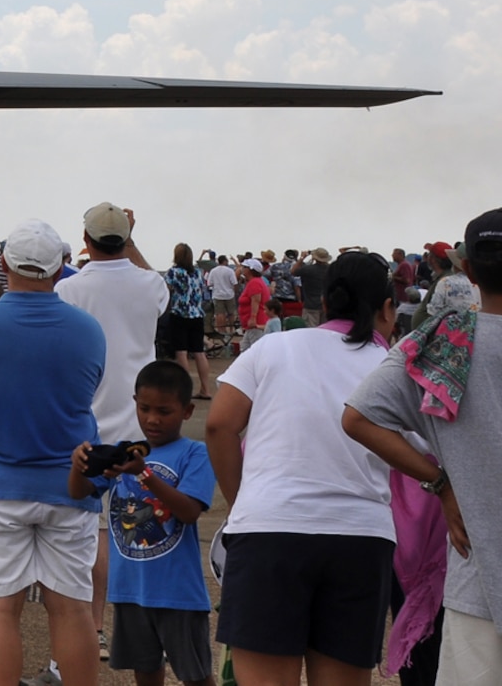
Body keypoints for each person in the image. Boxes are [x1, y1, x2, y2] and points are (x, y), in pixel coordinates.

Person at [204, 251, 398, 686]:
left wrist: (242, 502)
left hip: (269, 530)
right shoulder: (392, 367)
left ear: (326, 304)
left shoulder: (275, 346)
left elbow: (219, 425)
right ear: (387, 309)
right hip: (361, 538)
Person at [344, 210, 502, 686]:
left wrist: (440, 483)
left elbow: (358, 418)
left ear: (468, 270)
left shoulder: (442, 343)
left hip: (478, 577)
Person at [0, 220, 104, 686]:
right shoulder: (87, 329)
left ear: (6, 264)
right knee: (71, 608)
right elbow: (89, 386)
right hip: (68, 484)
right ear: (60, 270)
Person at [59, 202, 169, 658]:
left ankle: (94, 627)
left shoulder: (70, 289)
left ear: (84, 241)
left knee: (92, 534)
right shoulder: (150, 284)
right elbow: (151, 280)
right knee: (141, 532)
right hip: (141, 424)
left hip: (86, 423)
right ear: (124, 238)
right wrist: (130, 237)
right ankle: (145, 630)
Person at [71, 361, 217, 686]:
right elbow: (80, 494)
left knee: (196, 675)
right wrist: (78, 466)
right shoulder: (126, 453)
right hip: (130, 592)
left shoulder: (195, 453)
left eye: (164, 411)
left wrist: (144, 474)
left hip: (178, 594)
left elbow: (189, 511)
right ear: (134, 402)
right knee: (146, 672)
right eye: (145, 408)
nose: (152, 419)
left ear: (187, 411)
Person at [163, 244, 213, 400]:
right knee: (199, 352)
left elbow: (165, 288)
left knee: (181, 352)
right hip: (197, 314)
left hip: (179, 313)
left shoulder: (173, 272)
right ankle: (205, 388)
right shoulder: (198, 273)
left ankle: (185, 388)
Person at [236, 259, 272, 348]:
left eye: (245, 267)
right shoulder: (255, 282)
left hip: (256, 323)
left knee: (255, 349)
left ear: (250, 270)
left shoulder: (254, 283)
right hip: (252, 325)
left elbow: (256, 301)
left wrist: (253, 318)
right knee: (245, 349)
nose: (242, 269)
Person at [296, 247, 331, 329]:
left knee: (310, 331)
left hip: (311, 305)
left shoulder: (308, 269)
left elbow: (293, 271)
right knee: (325, 331)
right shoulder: (331, 269)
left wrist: (302, 258)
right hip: (326, 305)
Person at [206, 254, 238, 343]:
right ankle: (231, 329)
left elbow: (209, 283)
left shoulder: (213, 271)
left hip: (217, 295)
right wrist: (233, 291)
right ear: (225, 261)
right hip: (229, 294)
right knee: (231, 313)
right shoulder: (230, 271)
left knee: (220, 314)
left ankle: (221, 330)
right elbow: (234, 283)